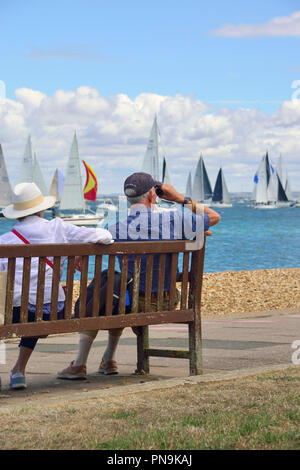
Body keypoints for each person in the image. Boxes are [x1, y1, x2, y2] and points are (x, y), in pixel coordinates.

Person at [57, 172, 220, 379]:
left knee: (108, 289)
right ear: (153, 195)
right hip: (165, 300)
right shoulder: (175, 220)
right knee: (112, 286)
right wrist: (179, 198)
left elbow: (93, 241)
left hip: (129, 304)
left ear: (128, 198)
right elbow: (214, 217)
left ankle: (83, 362)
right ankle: (107, 360)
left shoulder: (114, 228)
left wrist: (80, 252)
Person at [0, 182, 113, 390]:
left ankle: (15, 371)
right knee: (35, 305)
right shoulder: (57, 227)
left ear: (17, 213)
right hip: (52, 311)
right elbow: (105, 236)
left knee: (15, 307)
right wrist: (79, 250)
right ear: (41, 209)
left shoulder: (5, 240)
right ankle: (18, 370)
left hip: (10, 315)